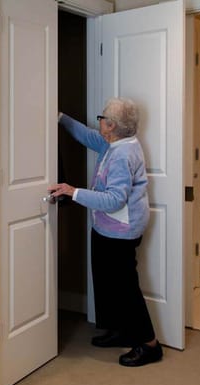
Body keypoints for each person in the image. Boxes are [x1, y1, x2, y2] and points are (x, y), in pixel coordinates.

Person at [49, 97, 162, 367]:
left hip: (121, 230)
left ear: (111, 125)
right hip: (105, 226)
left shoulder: (123, 154)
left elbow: (114, 200)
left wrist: (73, 192)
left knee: (125, 288)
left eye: (102, 118)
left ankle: (149, 344)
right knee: (106, 282)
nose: (98, 121)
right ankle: (120, 330)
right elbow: (86, 135)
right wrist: (59, 116)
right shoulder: (113, 143)